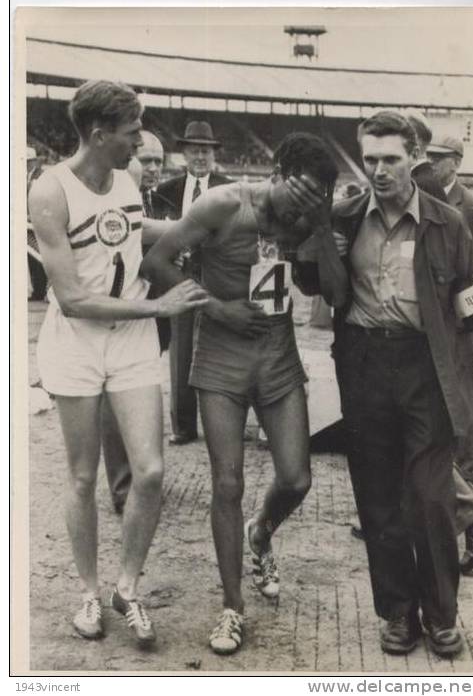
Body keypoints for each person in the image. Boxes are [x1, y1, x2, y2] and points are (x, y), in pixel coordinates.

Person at [142, 132, 347, 655]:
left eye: (315, 198)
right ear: (275, 172)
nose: (302, 207)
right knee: (226, 482)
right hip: (221, 357)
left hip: (278, 356)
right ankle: (232, 608)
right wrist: (215, 307)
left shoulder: (308, 217)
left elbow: (323, 290)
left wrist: (321, 228)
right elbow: (159, 261)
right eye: (298, 194)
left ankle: (262, 530)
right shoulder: (223, 203)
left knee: (297, 477)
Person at [28, 80, 208, 645]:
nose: (141, 143)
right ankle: (88, 590)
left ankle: (126, 588)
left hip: (129, 342)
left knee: (150, 471)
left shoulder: (127, 179)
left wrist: (208, 224)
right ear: (100, 134)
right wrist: (160, 306)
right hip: (77, 341)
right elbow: (72, 298)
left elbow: (135, 229)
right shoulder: (49, 190)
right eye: (132, 133)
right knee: (83, 476)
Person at [331, 111, 473, 658]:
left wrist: (472, 350)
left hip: (428, 367)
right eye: (370, 159)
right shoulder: (345, 218)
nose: (379, 170)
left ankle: (442, 615)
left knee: (430, 497)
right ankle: (397, 613)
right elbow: (316, 281)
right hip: (366, 365)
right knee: (377, 500)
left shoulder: (447, 223)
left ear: (414, 158)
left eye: (390, 159)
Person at [101, 131, 171, 514]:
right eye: (146, 160)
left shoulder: (156, 199)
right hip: (120, 314)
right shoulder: (114, 202)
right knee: (115, 403)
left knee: (142, 396)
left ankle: (141, 480)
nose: (153, 168)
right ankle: (124, 488)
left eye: (159, 161)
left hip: (151, 311)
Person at [426, 132, 473, 574]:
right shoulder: (421, 196)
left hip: (460, 327)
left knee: (465, 424)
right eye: (429, 157)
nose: (432, 162)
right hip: (428, 329)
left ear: (456, 162)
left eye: (439, 158)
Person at [153, 121, 232, 445]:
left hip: (216, 276)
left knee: (221, 350)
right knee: (181, 353)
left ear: (213, 154)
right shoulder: (165, 191)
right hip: (179, 277)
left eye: (206, 151)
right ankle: (183, 426)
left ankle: (224, 424)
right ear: (184, 153)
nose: (201, 156)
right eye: (195, 150)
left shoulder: (229, 188)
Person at [27, 146, 48, 301]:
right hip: (27, 222)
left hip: (38, 222)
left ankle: (42, 290)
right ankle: (37, 290)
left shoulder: (41, 177)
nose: (26, 164)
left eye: (28, 161)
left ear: (34, 161)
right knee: (32, 258)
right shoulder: (26, 177)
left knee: (41, 257)